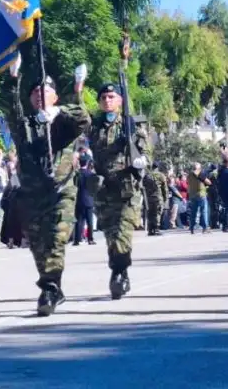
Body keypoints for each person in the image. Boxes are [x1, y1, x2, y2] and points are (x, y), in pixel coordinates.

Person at [0, 55, 90, 315]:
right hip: (32, 194)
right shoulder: (25, 126)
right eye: (36, 92)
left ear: (55, 97)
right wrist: (13, 78)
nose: (40, 95)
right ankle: (54, 285)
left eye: (46, 90)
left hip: (61, 191)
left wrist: (63, 108)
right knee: (38, 245)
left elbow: (84, 118)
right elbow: (10, 107)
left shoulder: (64, 122)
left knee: (56, 239)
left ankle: (49, 288)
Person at [88, 82, 149, 300]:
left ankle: (119, 273)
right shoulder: (93, 126)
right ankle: (119, 270)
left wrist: (138, 158)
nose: (107, 100)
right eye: (103, 97)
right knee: (111, 237)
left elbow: (144, 156)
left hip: (127, 190)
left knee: (123, 235)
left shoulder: (130, 126)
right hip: (104, 190)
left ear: (120, 101)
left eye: (112, 97)